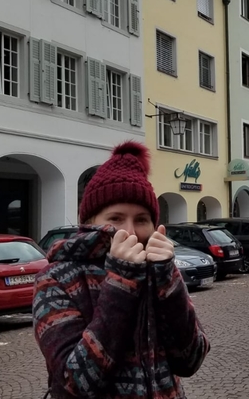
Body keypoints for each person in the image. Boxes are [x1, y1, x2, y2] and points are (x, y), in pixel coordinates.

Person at [33, 141, 209, 398]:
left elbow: (190, 360)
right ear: (90, 222)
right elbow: (76, 383)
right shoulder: (55, 279)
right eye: (115, 218)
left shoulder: (158, 271)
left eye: (141, 219)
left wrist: (169, 281)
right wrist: (122, 281)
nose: (130, 231)